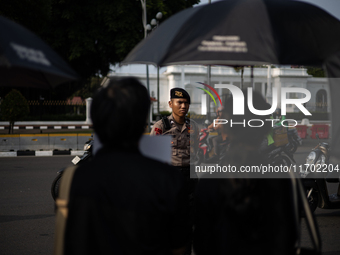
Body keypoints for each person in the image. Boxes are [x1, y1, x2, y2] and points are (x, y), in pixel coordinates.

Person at [62, 78, 191, 255]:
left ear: (98, 121)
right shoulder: (168, 180)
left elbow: (70, 243)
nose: (183, 106)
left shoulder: (76, 179)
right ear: (142, 123)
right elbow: (179, 247)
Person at [193, 91, 297, 255]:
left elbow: (202, 245)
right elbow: (288, 239)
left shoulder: (208, 183)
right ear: (266, 128)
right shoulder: (282, 180)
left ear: (226, 127)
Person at [150, 88, 199, 255]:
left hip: (190, 179)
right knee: (168, 220)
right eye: (179, 102)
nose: (183, 106)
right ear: (171, 104)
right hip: (169, 178)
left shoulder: (193, 127)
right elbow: (152, 156)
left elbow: (197, 152)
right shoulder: (161, 126)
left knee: (189, 221)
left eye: (186, 103)